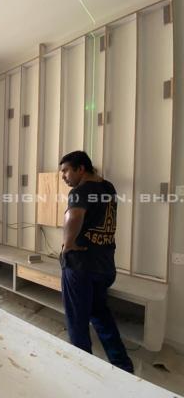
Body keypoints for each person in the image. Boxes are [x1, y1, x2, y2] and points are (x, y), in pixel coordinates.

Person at [59, 150, 134, 373]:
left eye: (66, 171)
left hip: (81, 266)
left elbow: (73, 216)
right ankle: (123, 366)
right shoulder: (108, 187)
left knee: (77, 321)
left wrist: (68, 244)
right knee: (100, 314)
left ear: (81, 169)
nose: (63, 176)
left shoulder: (79, 191)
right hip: (105, 264)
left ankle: (83, 371)